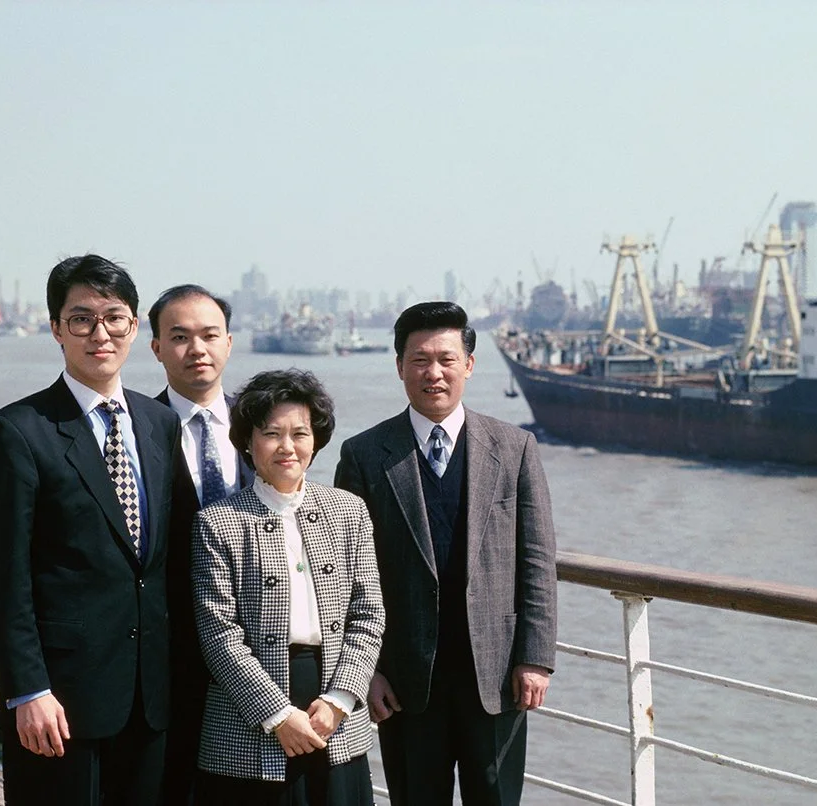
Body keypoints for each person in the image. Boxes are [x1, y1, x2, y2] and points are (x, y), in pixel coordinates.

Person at [0, 254, 184, 806]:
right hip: (59, 702)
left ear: (135, 327)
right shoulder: (17, 432)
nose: (100, 334)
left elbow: (164, 562)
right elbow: (0, 580)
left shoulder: (159, 423)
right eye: (81, 319)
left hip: (150, 697)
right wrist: (28, 690)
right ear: (56, 330)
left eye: (115, 318)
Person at [334, 301, 558, 806]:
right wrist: (366, 672)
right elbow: (344, 574)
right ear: (399, 366)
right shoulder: (365, 455)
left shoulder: (515, 447)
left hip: (498, 677)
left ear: (469, 365)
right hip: (406, 682)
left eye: (446, 359)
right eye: (419, 359)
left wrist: (536, 659)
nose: (433, 372)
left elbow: (538, 560)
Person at [191, 369, 384, 806]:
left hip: (334, 708)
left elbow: (369, 613)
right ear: (247, 441)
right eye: (271, 433)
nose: (287, 447)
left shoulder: (348, 511)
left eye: (299, 433)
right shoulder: (217, 523)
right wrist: (277, 715)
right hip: (249, 717)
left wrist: (339, 700)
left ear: (315, 440)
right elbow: (218, 634)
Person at [148, 283, 252, 804]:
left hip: (258, 653)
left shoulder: (265, 427)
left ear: (229, 343)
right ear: (157, 348)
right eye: (180, 337)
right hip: (165, 653)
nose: (198, 349)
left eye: (210, 335)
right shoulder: (134, 431)